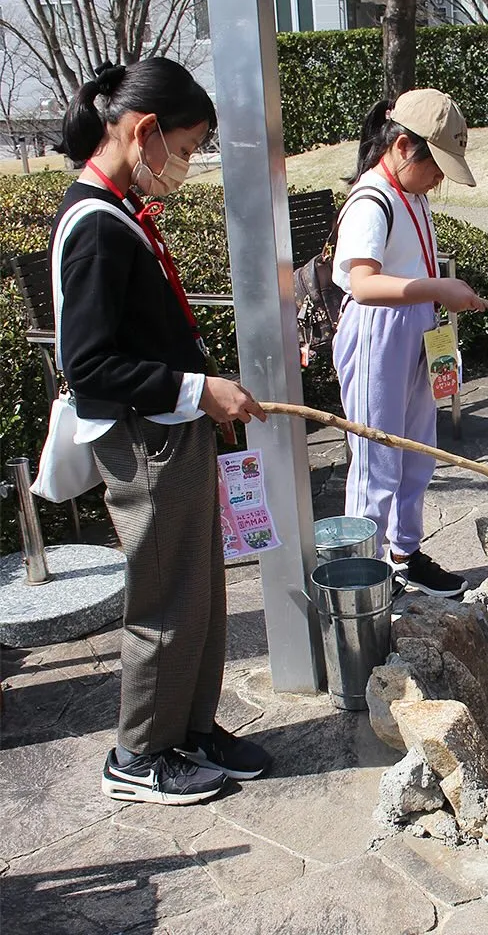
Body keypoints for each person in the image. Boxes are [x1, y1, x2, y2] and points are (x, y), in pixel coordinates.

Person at [52, 58, 270, 806]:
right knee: (165, 599)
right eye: (185, 146)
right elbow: (89, 367)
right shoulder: (95, 226)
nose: (184, 164)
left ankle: (190, 728)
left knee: (200, 591)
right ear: (144, 132)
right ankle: (141, 752)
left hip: (175, 430)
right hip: (145, 441)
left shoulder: (121, 213)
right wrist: (195, 387)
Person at [332, 88, 483, 597]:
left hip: (416, 325)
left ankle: (405, 553)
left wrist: (433, 298)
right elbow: (363, 284)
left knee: (418, 448)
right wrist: (439, 287)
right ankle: (363, 573)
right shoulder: (371, 200)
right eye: (434, 163)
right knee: (378, 457)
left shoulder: (411, 195)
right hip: (378, 330)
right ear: (400, 146)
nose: (439, 177)